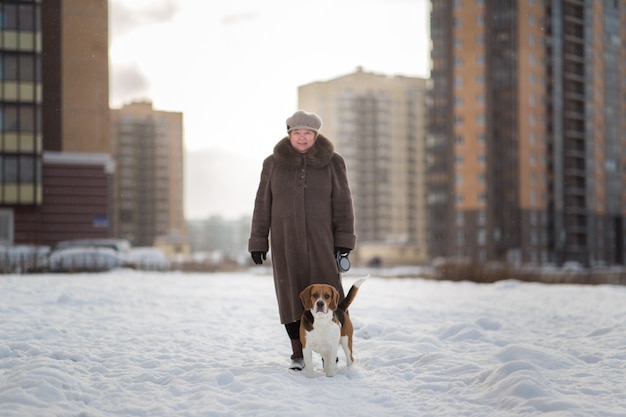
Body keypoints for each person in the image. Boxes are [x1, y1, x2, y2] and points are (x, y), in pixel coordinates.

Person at [248, 110, 356, 371]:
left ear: (316, 135)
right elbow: (263, 203)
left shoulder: (334, 162)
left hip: (322, 242)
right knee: (290, 296)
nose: (302, 138)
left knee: (330, 297)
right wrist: (258, 240)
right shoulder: (272, 163)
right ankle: (298, 352)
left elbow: (343, 203)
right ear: (289, 134)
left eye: (308, 133)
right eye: (297, 133)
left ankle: (331, 349)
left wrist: (344, 240)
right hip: (286, 243)